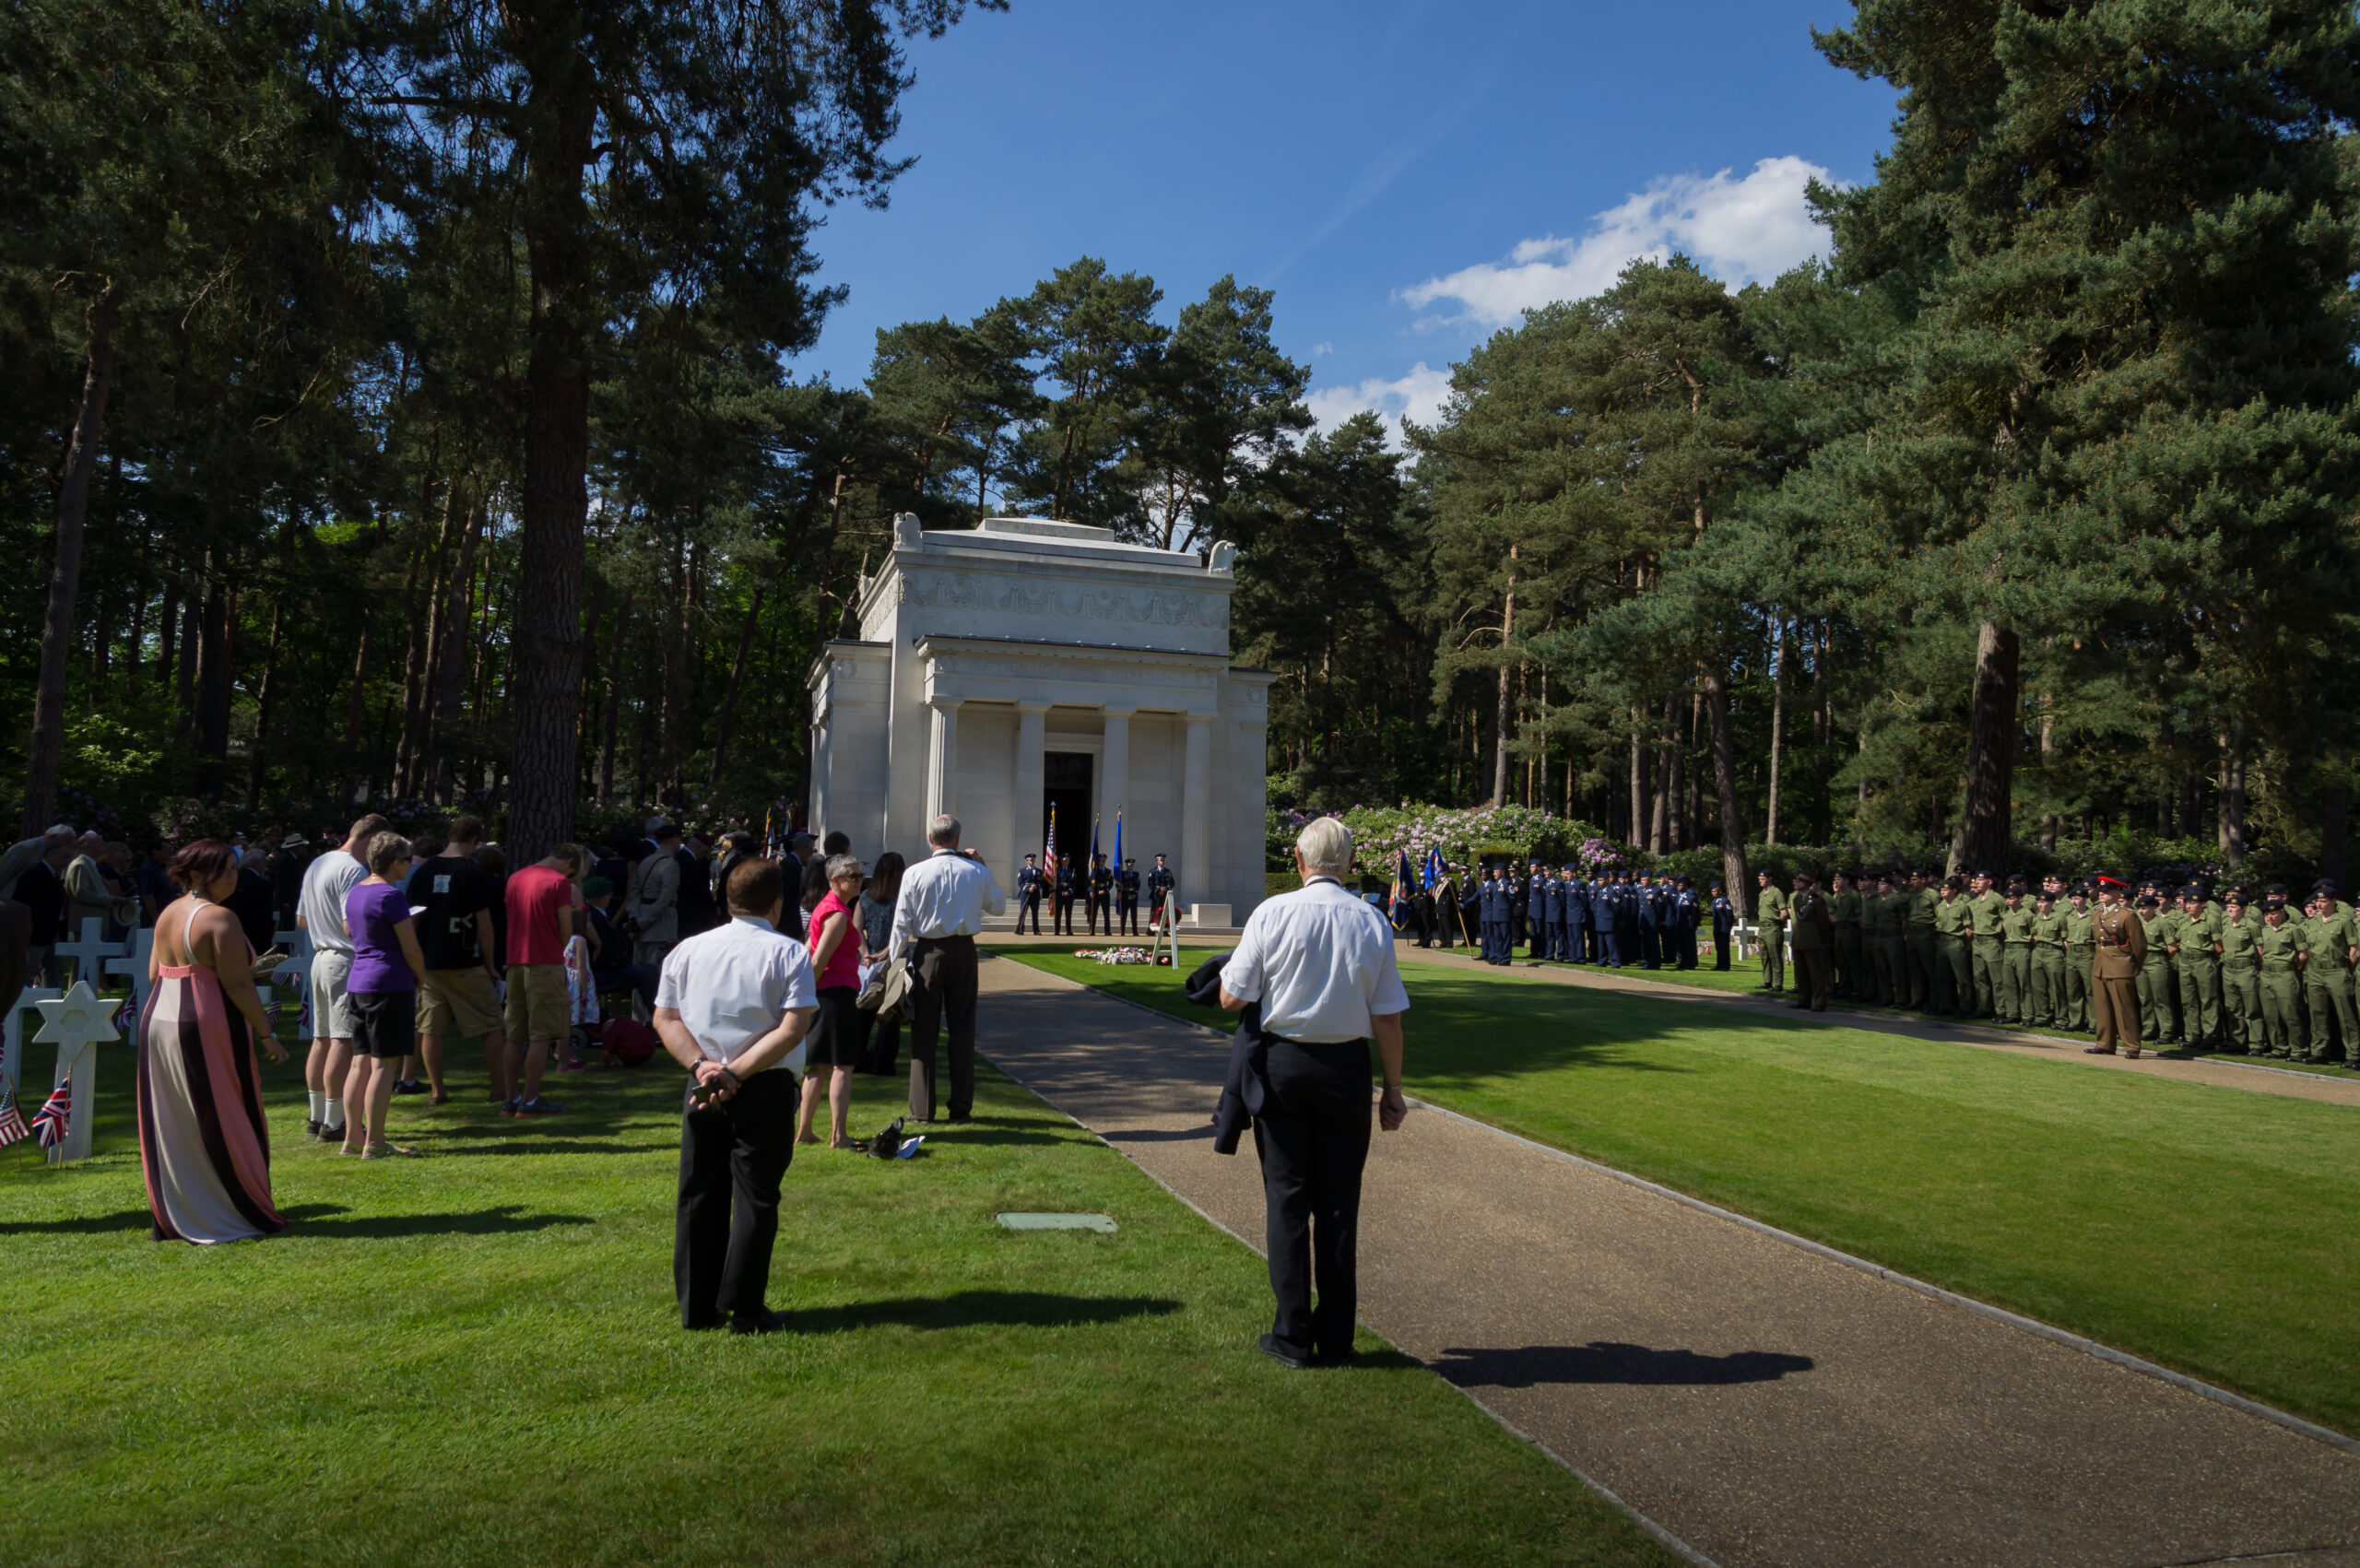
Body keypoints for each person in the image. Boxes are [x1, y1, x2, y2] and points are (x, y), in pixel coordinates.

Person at [1216, 815, 1409, 1370]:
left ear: (1300, 862)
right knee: (1340, 1205)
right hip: (1346, 1068)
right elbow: (1389, 1020)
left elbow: (1232, 998)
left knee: (1288, 1199)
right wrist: (1392, 1089)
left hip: (1283, 1066)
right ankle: (1336, 1337)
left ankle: (1293, 1336)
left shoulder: (1272, 912)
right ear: (1347, 865)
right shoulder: (1372, 921)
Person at [653, 854, 816, 1335]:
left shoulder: (686, 950)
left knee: (698, 1194)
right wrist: (734, 1072)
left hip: (702, 1084)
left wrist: (704, 1067)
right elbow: (792, 1028)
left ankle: (698, 1308)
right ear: (777, 903)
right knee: (756, 1197)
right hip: (759, 1084)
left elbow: (665, 1018)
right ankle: (745, 1308)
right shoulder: (789, 952)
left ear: (728, 899)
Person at [138, 839, 290, 1242]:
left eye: (233, 869)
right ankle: (233, 1208)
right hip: (205, 1021)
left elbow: (155, 973)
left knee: (174, 1116)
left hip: (159, 1018)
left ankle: (182, 1207)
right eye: (222, 870)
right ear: (194, 875)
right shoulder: (221, 919)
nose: (231, 877)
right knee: (225, 1111)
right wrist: (267, 1034)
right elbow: (238, 985)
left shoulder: (168, 912)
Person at [891, 814, 1006, 1123]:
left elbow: (900, 923)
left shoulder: (915, 873)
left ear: (931, 839)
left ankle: (921, 1109)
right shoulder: (974, 871)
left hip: (928, 950)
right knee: (963, 1030)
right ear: (957, 839)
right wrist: (981, 866)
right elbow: (999, 907)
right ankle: (960, 1107)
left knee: (923, 1031)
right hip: (964, 950)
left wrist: (895, 965)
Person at [296, 815, 387, 1142]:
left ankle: (316, 1115)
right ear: (371, 837)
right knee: (342, 1039)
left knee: (321, 1038)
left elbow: (302, 920)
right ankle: (335, 1123)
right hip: (344, 958)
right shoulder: (352, 869)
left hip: (319, 956)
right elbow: (352, 925)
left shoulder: (318, 863)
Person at [341, 831, 429, 1159]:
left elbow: (350, 931)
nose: (410, 864)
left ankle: (352, 1139)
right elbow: (411, 948)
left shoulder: (355, 891)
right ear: (395, 862)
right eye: (407, 859)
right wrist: (419, 976)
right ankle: (375, 1142)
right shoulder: (391, 896)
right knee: (384, 1066)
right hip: (389, 984)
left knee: (358, 1063)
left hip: (359, 983)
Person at [405, 816, 501, 1107]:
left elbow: (413, 919)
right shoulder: (473, 873)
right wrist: (490, 963)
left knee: (431, 1028)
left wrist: (414, 959)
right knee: (491, 1024)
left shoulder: (422, 871)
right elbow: (484, 925)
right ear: (473, 839)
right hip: (465, 960)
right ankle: (499, 1089)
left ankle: (437, 1091)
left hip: (430, 963)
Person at [502, 843, 584, 1117]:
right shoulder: (558, 882)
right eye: (574, 870)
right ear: (569, 861)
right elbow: (566, 927)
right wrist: (558, 947)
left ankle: (511, 1098)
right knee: (541, 1035)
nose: (572, 876)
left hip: (514, 962)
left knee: (514, 1036)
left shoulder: (516, 877)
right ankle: (530, 1100)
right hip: (545, 964)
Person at [797, 855, 866, 1148]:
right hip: (835, 996)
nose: (859, 880)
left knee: (818, 1066)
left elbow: (806, 950)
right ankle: (839, 1135)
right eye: (852, 876)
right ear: (835, 880)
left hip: (824, 995)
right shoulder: (837, 915)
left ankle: (804, 1132)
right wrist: (800, 995)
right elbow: (817, 960)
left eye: (861, 875)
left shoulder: (825, 908)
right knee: (842, 1066)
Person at [628, 819, 684, 1017]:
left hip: (641, 923)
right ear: (673, 839)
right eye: (679, 838)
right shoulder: (670, 865)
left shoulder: (647, 862)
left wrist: (636, 917)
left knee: (639, 975)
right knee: (657, 976)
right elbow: (664, 900)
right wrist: (642, 920)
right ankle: (655, 1019)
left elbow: (634, 893)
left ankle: (638, 1018)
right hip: (660, 926)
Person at [856, 853, 906, 1077]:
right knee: (889, 1013)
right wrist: (886, 953)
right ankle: (883, 1063)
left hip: (868, 959)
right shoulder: (901, 899)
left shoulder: (865, 897)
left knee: (864, 1011)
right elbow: (902, 931)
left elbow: (856, 928)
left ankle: (857, 1058)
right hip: (893, 960)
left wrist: (866, 952)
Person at [2087, 875, 2147, 1055]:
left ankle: (2132, 1045)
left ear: (2117, 893)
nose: (2102, 894)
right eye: (2101, 891)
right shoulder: (2096, 913)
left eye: (2106, 892)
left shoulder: (2127, 915)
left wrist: (2134, 964)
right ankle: (2105, 1043)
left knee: (2124, 1009)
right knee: (2102, 1007)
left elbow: (2140, 945)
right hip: (2100, 965)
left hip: (2121, 965)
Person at [584, 877, 660, 1016]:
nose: (610, 897)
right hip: (605, 971)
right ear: (600, 898)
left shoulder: (598, 915)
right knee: (646, 974)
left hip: (612, 966)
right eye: (608, 894)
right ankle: (656, 1015)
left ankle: (657, 1013)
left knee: (651, 969)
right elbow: (606, 952)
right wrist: (624, 962)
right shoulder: (595, 918)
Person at [1788, 872, 1834, 1011]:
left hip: (1812, 939)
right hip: (1799, 939)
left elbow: (1823, 922)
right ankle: (1803, 1000)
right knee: (1801, 972)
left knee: (1816, 973)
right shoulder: (1796, 899)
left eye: (1799, 881)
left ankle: (1820, 1001)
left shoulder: (1816, 900)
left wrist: (1822, 939)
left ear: (1806, 884)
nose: (1796, 883)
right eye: (1795, 881)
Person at [1753, 870, 1787, 993]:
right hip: (1762, 928)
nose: (1760, 880)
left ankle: (1778, 983)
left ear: (1769, 879)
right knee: (1764, 956)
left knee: (1775, 956)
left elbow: (1783, 912)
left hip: (1773, 927)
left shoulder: (1776, 893)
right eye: (1759, 878)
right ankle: (1767, 981)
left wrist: (1778, 926)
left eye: (1762, 878)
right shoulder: (1762, 894)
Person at [136, 841, 178, 926]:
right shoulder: (148, 869)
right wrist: (155, 917)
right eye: (166, 850)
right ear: (155, 851)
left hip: (167, 913)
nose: (170, 852)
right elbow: (147, 895)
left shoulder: (164, 868)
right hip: (154, 916)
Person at [1015, 853, 1044, 935]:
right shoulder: (1022, 871)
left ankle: (1036, 930)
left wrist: (1036, 886)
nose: (1032, 861)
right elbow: (1020, 883)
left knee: (1035, 913)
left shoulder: (1039, 871)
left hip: (1035, 895)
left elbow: (1042, 883)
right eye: (1031, 860)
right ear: (1027, 861)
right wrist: (1028, 889)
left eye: (1033, 860)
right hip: (1025, 894)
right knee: (1023, 912)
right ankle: (1020, 930)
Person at [1709, 881, 1735, 970]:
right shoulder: (1714, 901)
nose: (1713, 893)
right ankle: (1719, 964)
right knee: (1718, 947)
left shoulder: (1725, 901)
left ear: (1719, 891)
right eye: (1712, 891)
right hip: (1717, 927)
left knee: (1724, 947)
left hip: (1724, 927)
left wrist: (1729, 925)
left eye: (1714, 891)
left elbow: (1729, 914)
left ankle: (1725, 965)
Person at [1088, 852, 1114, 937]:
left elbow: (1111, 883)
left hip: (1105, 893)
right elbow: (1090, 882)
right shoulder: (1094, 871)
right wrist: (1092, 891)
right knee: (1093, 913)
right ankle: (1092, 930)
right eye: (1100, 861)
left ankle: (1107, 931)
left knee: (1106, 913)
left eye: (1103, 861)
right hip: (1096, 893)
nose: (1102, 862)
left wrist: (1105, 890)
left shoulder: (1108, 871)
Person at [1147, 854, 1175, 929]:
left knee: (1165, 912)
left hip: (1165, 894)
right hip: (1156, 894)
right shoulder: (1152, 871)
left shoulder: (1168, 871)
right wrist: (1159, 889)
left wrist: (1166, 888)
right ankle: (1150, 931)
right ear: (1157, 861)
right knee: (1153, 912)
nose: (1162, 861)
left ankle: (1165, 930)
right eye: (1160, 860)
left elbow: (1172, 883)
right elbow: (1150, 884)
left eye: (1163, 860)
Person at [1053, 852, 1079, 937]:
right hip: (1059, 894)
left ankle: (1069, 930)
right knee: (1058, 914)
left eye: (1067, 860)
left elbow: (1074, 883)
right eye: (1064, 860)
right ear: (1061, 861)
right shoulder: (1056, 870)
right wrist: (1055, 891)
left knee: (1068, 914)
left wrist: (1070, 891)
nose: (1066, 861)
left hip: (1069, 894)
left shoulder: (1073, 870)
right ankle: (1057, 930)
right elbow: (1053, 882)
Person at [1117, 856, 1142, 937]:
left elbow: (1138, 885)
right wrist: (1119, 892)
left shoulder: (1136, 874)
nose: (1131, 867)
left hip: (1133, 895)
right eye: (1130, 865)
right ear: (1127, 865)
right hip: (1125, 894)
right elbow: (1119, 884)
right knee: (1124, 914)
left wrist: (1135, 893)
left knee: (1134, 915)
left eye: (1132, 865)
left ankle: (1135, 931)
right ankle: (1122, 931)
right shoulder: (1123, 873)